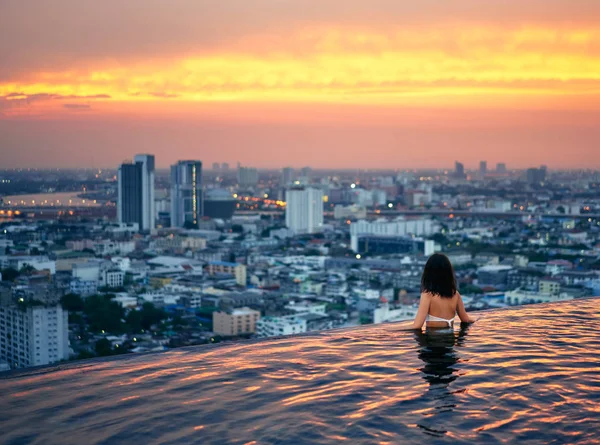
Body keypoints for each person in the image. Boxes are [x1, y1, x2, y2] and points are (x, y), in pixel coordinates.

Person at [407, 253, 477, 330]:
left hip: (434, 340)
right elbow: (465, 319)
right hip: (450, 339)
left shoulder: (427, 295)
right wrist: (478, 319)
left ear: (428, 273)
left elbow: (417, 325)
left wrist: (392, 329)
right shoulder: (455, 294)